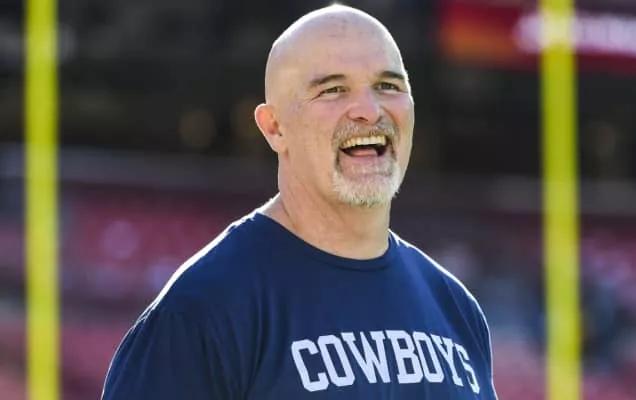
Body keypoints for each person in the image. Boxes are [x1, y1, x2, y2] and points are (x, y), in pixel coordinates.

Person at [102, 5, 498, 399]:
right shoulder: (204, 309)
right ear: (274, 128)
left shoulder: (455, 309)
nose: (369, 110)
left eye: (388, 86)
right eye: (333, 90)